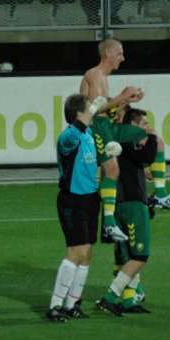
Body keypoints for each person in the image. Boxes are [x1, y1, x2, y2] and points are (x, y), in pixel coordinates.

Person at [80, 39, 170, 229]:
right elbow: (96, 109)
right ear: (108, 55)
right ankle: (110, 222)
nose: (123, 57)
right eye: (119, 53)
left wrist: (126, 100)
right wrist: (122, 96)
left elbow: (107, 111)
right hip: (96, 128)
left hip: (107, 126)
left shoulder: (103, 77)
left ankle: (161, 193)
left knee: (153, 138)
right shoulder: (94, 74)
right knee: (111, 171)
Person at [46, 93, 118, 322]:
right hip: (72, 200)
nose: (93, 110)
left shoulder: (88, 135)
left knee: (87, 254)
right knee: (75, 252)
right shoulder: (68, 137)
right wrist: (94, 107)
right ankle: (55, 306)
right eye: (88, 108)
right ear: (80, 113)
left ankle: (72, 303)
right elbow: (78, 128)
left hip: (89, 199)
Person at [97, 107, 157, 316]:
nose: (146, 128)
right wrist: (153, 137)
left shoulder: (115, 141)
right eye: (143, 124)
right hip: (130, 205)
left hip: (120, 204)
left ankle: (129, 300)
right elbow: (149, 155)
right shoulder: (124, 142)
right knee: (140, 255)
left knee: (126, 256)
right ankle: (111, 297)